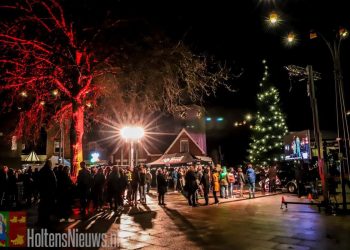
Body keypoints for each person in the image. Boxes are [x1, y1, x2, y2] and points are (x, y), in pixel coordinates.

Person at [38, 160, 57, 226]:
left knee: (42, 205)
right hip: (49, 191)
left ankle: (41, 219)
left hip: (43, 191)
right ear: (49, 164)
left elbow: (38, 181)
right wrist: (54, 190)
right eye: (51, 163)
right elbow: (54, 182)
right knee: (48, 205)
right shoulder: (50, 171)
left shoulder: (41, 171)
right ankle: (46, 219)